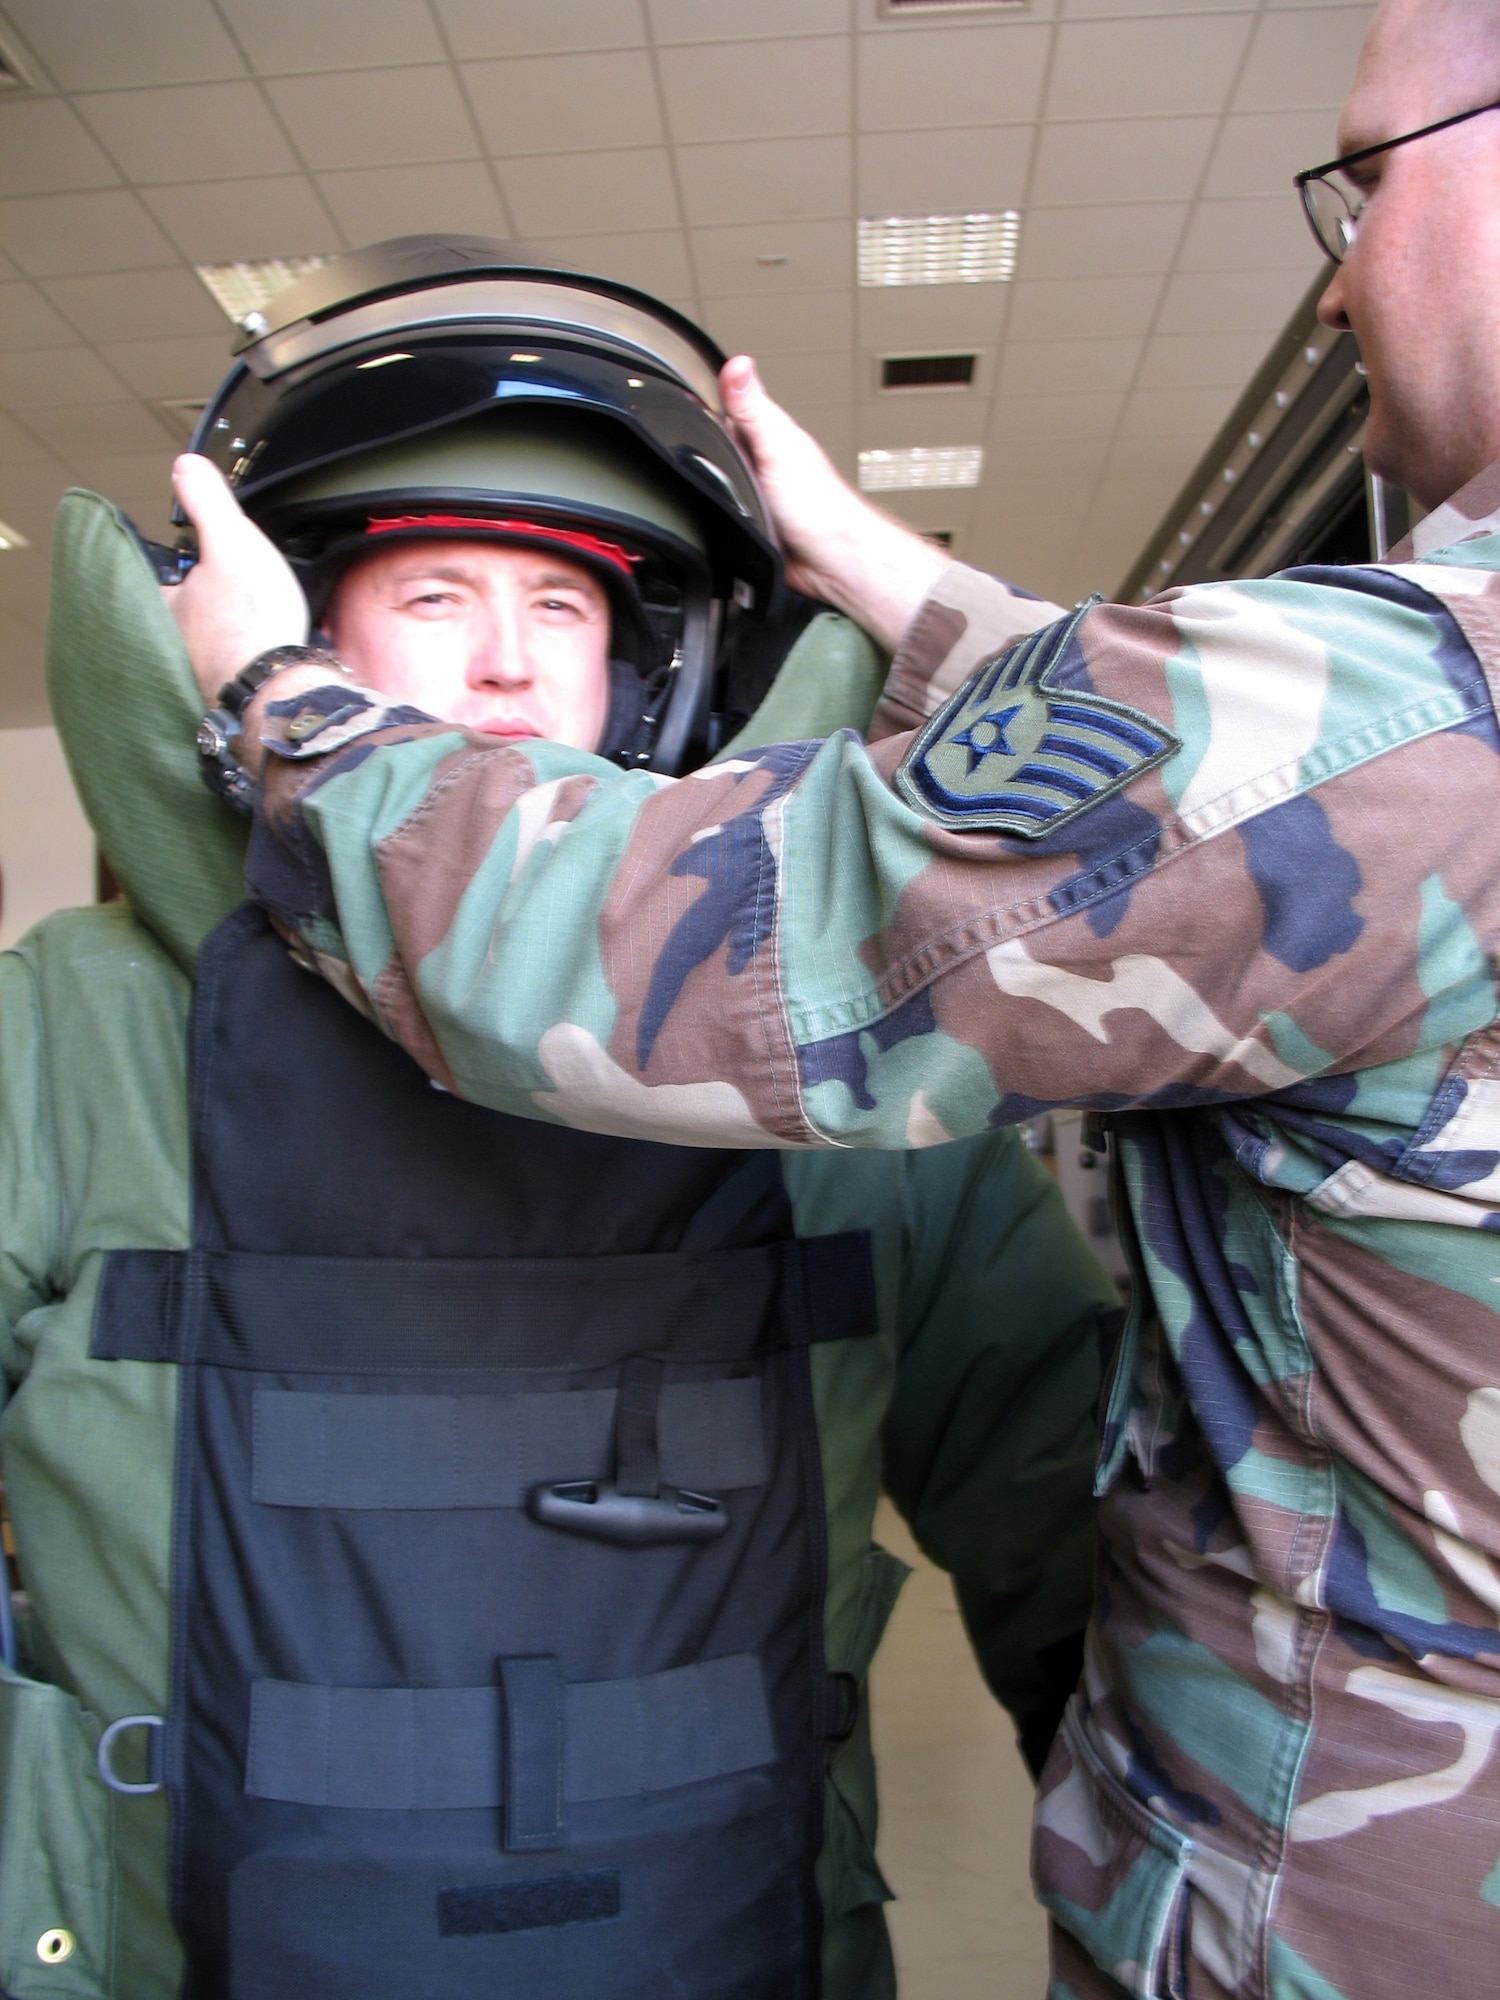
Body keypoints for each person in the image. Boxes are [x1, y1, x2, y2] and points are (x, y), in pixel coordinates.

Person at [155, 2, 1500, 1994]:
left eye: (1368, 180)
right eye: (431, 596)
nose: (1332, 289)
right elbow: (1245, 814)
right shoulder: (80, 1038)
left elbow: (729, 965)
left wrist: (292, 704)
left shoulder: (1401, 727)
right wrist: (906, 589)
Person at [0, 239, 1115, 2000]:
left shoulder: (839, 1061)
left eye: (568, 609)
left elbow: (1081, 1524)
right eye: (435, 600)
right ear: (278, 649)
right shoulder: (67, 1030)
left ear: (655, 678)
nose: (510, 669)